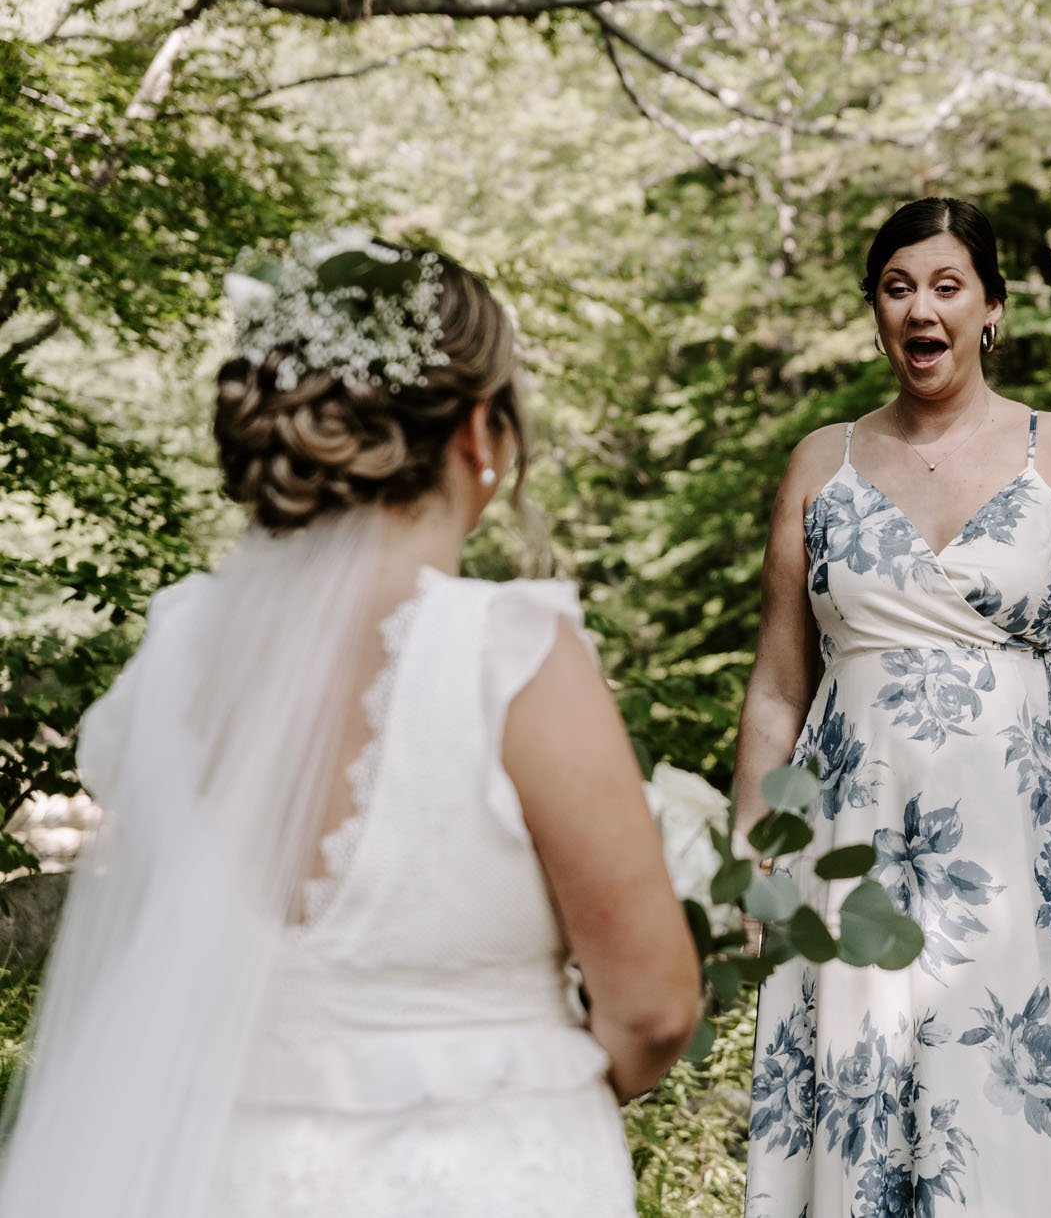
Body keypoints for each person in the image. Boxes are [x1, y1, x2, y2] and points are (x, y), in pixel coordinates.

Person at [0, 233, 700, 1217]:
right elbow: (654, 1009)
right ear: (481, 434)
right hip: (488, 1179)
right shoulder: (509, 653)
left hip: (222, 1179)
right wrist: (527, 1092)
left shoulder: (174, 652)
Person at [737, 198, 1051, 1215]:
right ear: (876, 309)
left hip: (1031, 851)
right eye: (897, 287)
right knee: (862, 1102)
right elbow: (779, 685)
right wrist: (750, 858)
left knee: (1012, 1123)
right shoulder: (818, 464)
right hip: (849, 842)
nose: (921, 309)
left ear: (991, 308)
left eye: (947, 286)